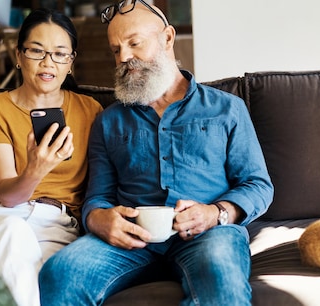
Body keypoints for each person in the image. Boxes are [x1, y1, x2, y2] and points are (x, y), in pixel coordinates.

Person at [39, 1, 274, 305]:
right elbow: (97, 197)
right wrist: (99, 220)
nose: (123, 57)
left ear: (167, 38)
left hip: (208, 234)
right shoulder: (108, 121)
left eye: (134, 43)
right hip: (132, 240)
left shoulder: (227, 109)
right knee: (60, 273)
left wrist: (215, 213)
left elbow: (258, 185)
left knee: (221, 283)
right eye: (115, 49)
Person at [0, 8, 103, 306]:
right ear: (19, 55)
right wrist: (36, 169)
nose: (48, 62)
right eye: (37, 51)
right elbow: (7, 196)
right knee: (13, 232)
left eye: (60, 54)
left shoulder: (90, 111)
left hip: (55, 226)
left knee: (50, 280)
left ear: (70, 62)